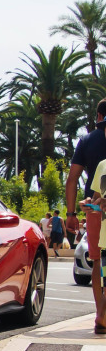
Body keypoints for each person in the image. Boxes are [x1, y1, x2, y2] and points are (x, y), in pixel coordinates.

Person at [66, 98, 106, 334]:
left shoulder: (88, 140)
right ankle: (103, 313)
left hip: (93, 209)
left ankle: (100, 312)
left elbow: (72, 179)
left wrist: (71, 213)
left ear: (98, 117)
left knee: (99, 262)